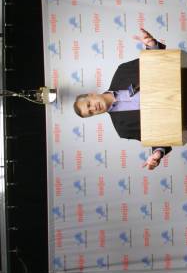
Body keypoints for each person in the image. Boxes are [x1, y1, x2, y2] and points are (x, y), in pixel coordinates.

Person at [73, 28, 170, 170]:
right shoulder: (123, 129)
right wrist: (157, 153)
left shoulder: (122, 71)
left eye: (89, 104)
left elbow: (152, 63)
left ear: (92, 94)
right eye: (91, 112)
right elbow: (157, 137)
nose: (93, 108)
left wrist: (151, 45)